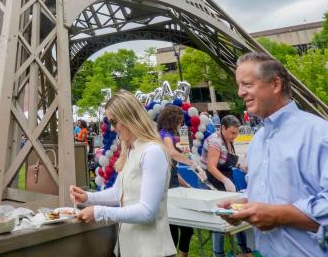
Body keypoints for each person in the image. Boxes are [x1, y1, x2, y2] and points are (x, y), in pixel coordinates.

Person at [224, 52, 328, 256]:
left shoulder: (319, 133)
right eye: (239, 85)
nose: (240, 92)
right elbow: (271, 192)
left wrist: (277, 216)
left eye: (247, 84)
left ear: (275, 84)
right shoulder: (258, 140)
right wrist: (243, 205)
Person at [70, 90, 177, 257]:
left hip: (152, 250)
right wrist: (87, 197)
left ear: (129, 117)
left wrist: (99, 212)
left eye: (114, 121)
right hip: (131, 248)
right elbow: (118, 192)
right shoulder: (132, 150)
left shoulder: (152, 152)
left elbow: (147, 211)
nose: (112, 128)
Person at [202, 115, 250, 257]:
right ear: (223, 128)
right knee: (219, 218)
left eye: (237, 133)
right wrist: (225, 180)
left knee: (237, 212)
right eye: (232, 133)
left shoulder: (229, 140)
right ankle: (218, 253)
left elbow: (229, 159)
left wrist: (242, 166)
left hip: (225, 178)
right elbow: (211, 167)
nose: (235, 136)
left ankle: (244, 249)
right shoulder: (214, 141)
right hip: (212, 182)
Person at [158, 105, 196, 257]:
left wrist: (186, 186)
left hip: (172, 188)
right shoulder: (165, 135)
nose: (181, 125)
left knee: (184, 228)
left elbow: (173, 172)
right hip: (166, 190)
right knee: (175, 230)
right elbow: (172, 153)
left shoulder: (165, 135)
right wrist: (191, 163)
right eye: (180, 122)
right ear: (173, 121)